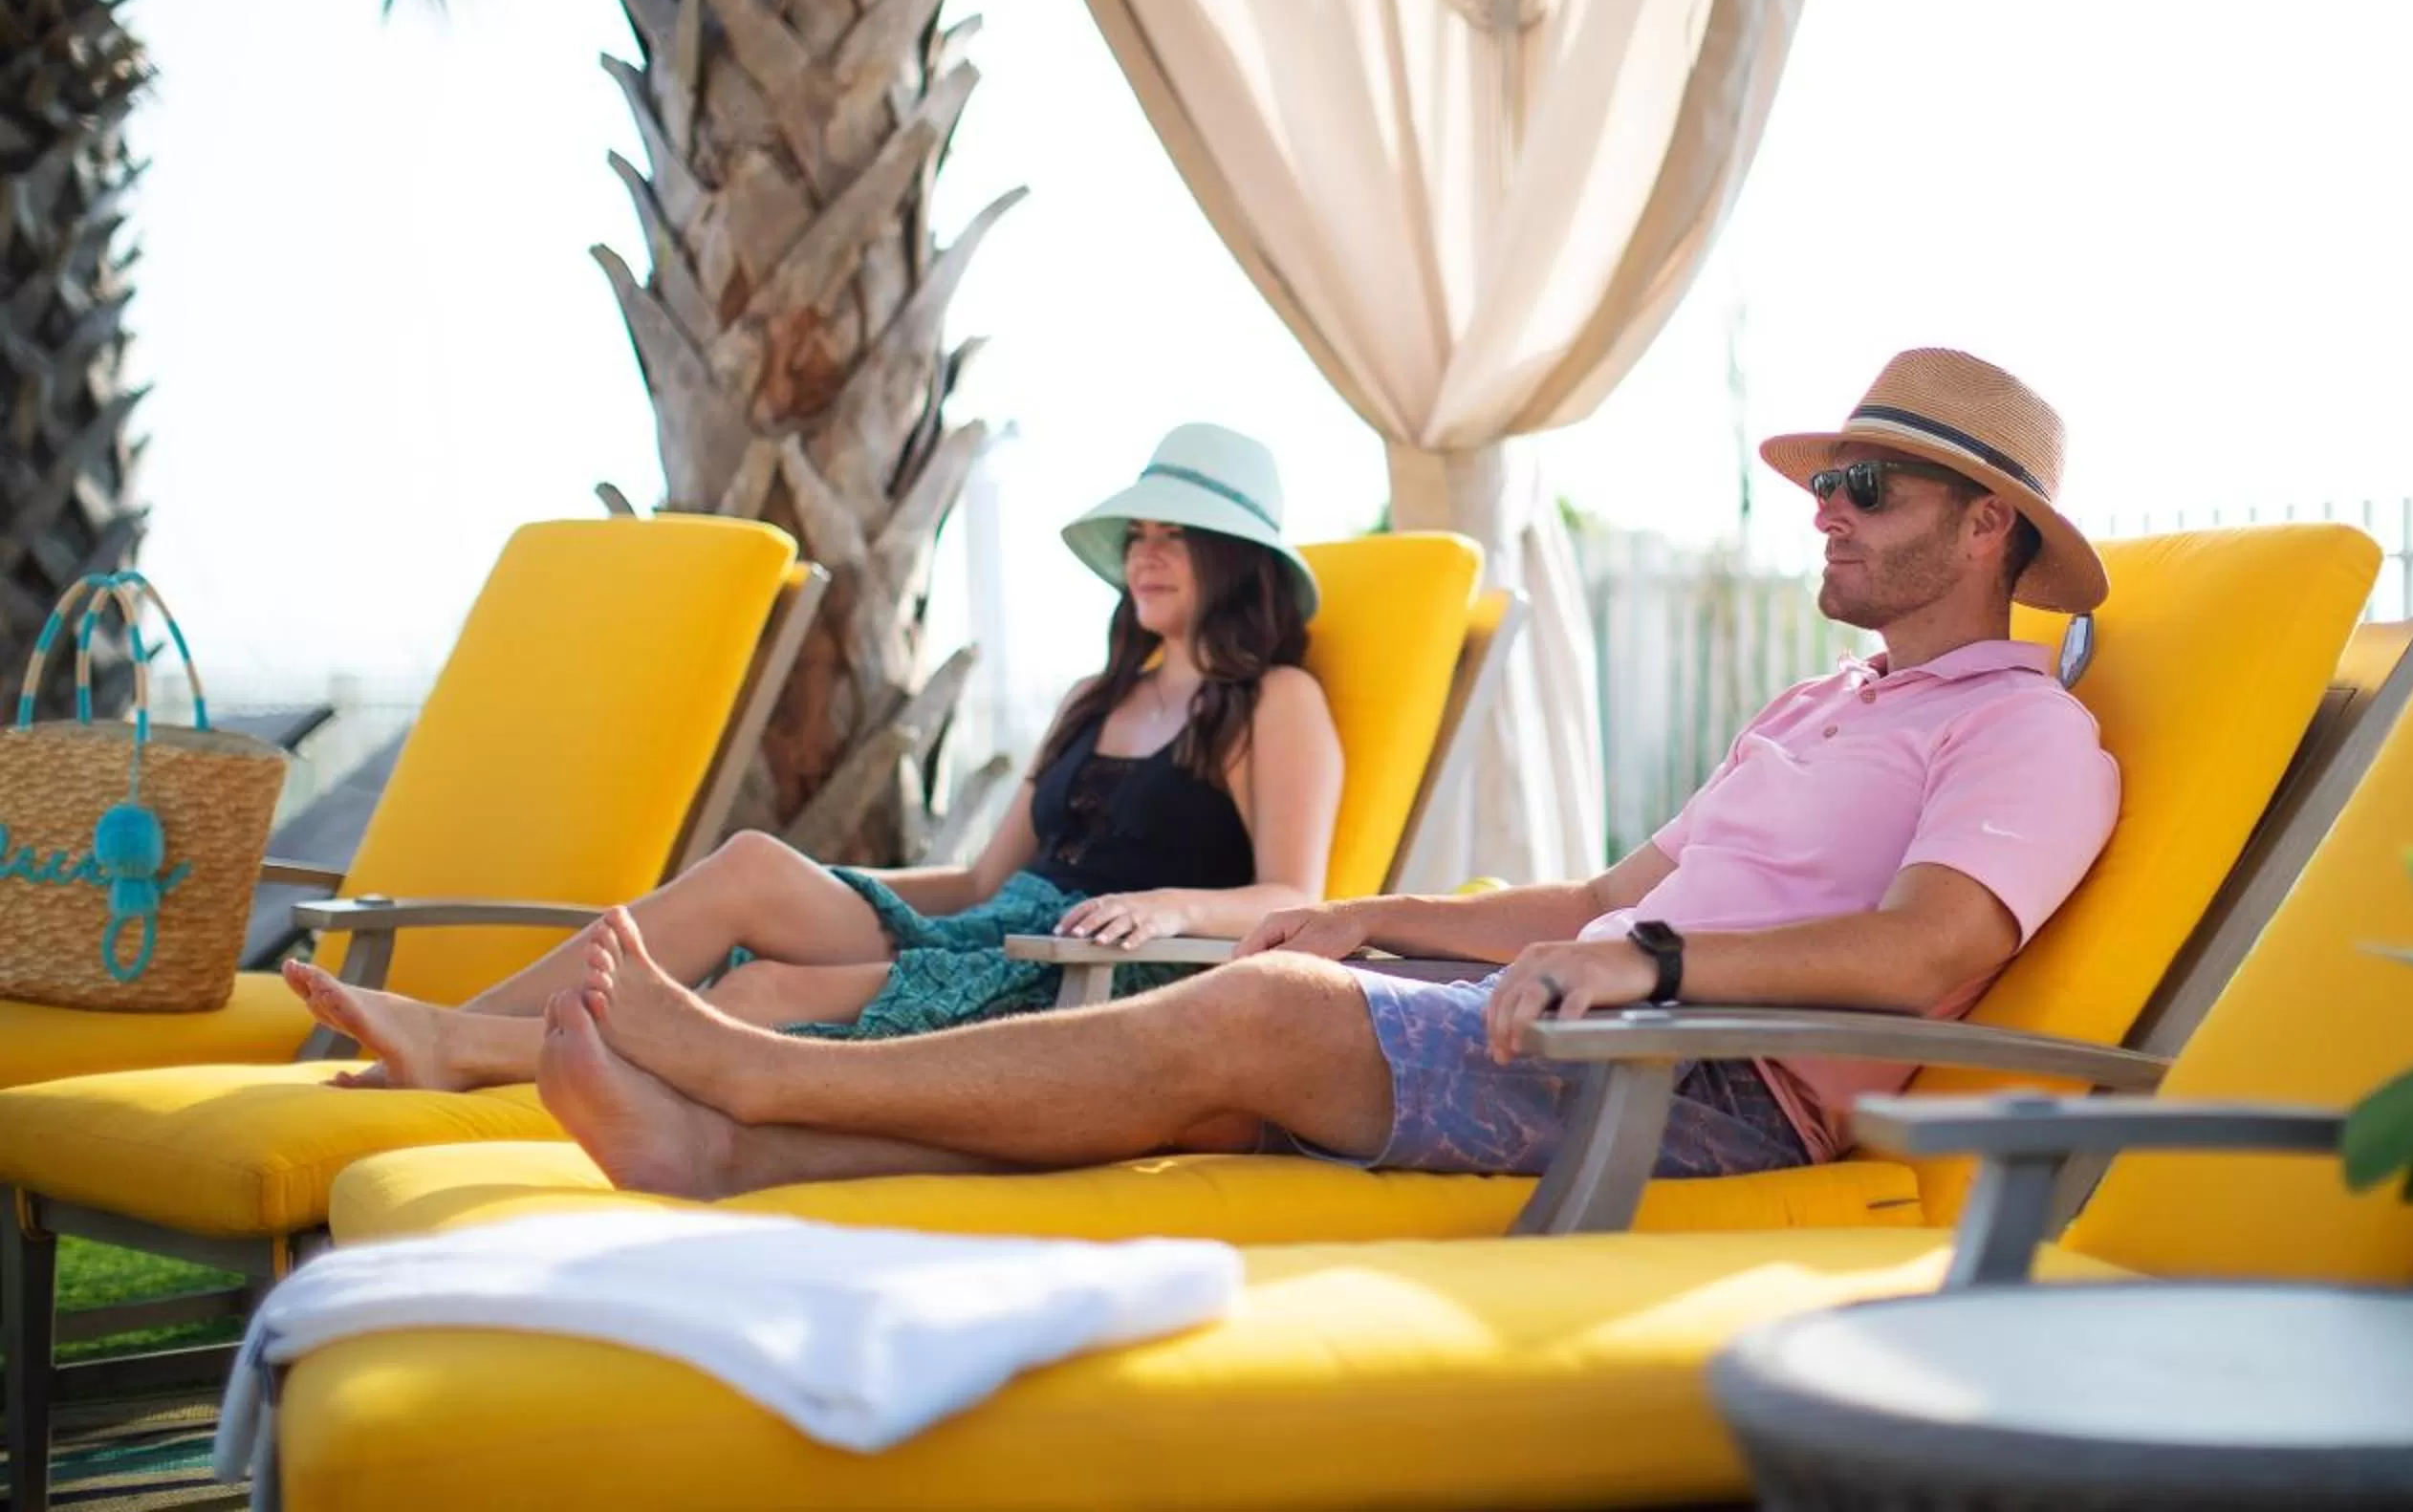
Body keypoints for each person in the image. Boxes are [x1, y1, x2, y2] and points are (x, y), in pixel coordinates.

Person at [530, 348, 2124, 1200]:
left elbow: (1927, 953)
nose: (1824, 508)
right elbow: (1588, 899)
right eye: (1827, 481)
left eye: (1866, 487)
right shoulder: (1811, 705)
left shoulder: (2025, 732)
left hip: (1713, 1091)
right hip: (1629, 1025)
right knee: (1229, 1076)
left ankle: (751, 1074)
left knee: (1249, 1025)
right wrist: (1371, 917)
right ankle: (730, 1153)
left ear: (1987, 528)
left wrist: (1646, 962)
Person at [282, 422, 1346, 1091]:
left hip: (1092, 982)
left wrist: (1171, 902)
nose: (1146, 557)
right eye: (1140, 536)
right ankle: (446, 1033)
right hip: (995, 924)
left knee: (769, 993)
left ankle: (460, 1053)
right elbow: (980, 880)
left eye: (1176, 536)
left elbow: (1300, 892)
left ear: (1234, 560)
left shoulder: (1274, 704)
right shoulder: (1094, 697)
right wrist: (819, 886)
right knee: (752, 863)